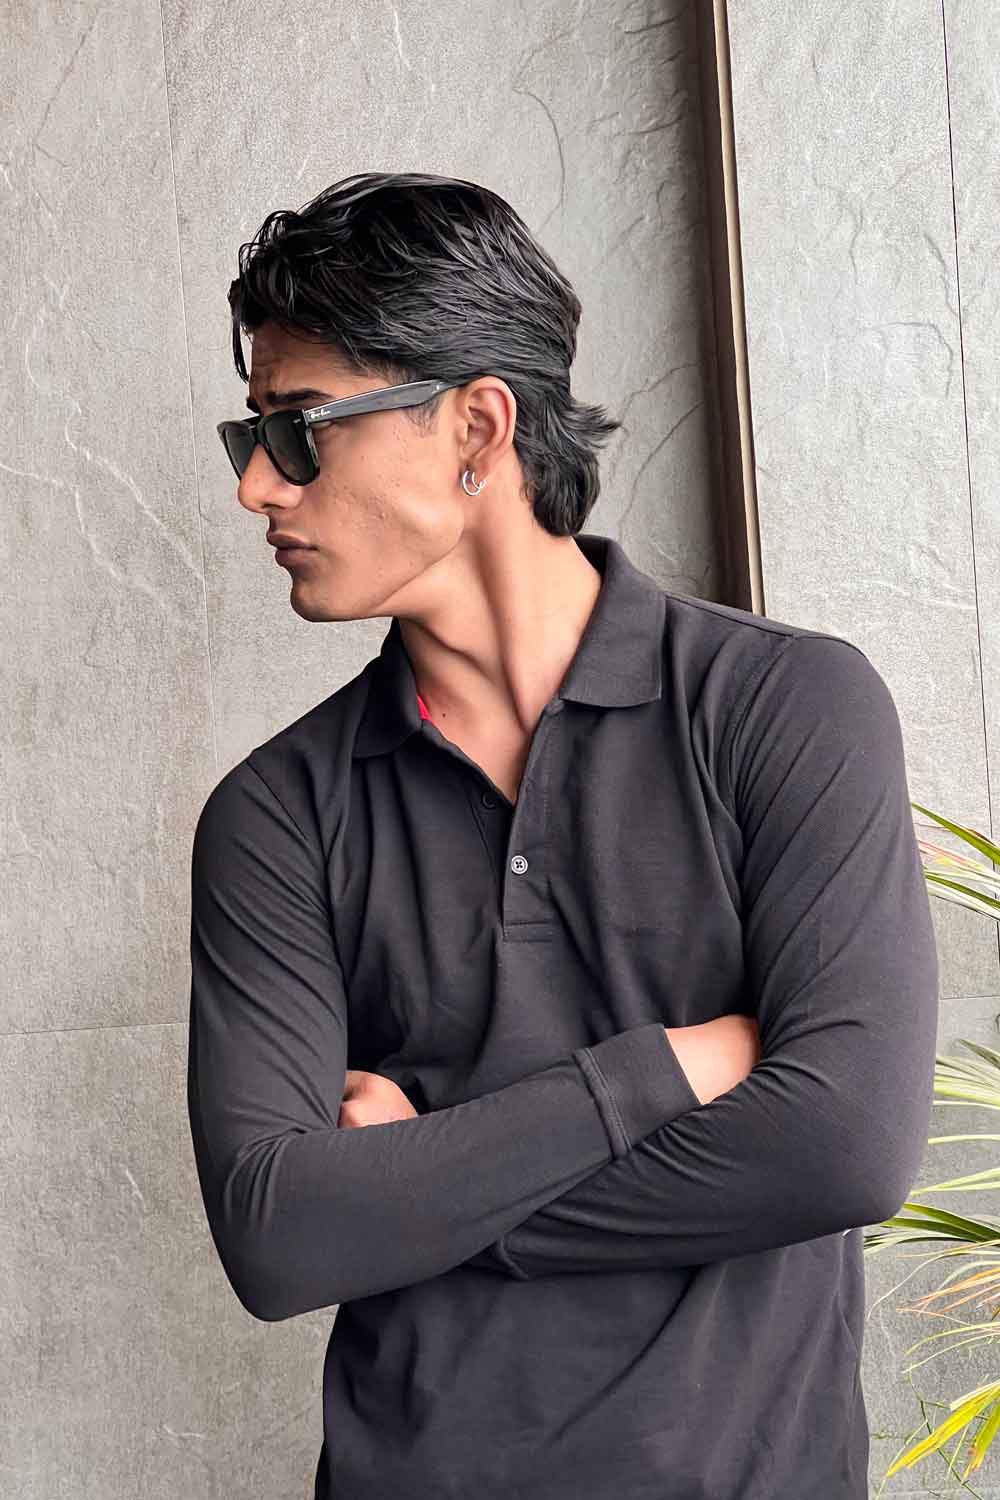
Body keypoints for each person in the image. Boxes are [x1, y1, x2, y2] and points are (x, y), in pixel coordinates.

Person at [186, 171, 940, 1500]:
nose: (257, 485)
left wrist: (418, 1191)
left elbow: (845, 1146)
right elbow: (280, 1234)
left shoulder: (786, 708)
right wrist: (658, 1074)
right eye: (251, 435)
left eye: (297, 429)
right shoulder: (277, 815)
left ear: (476, 428)